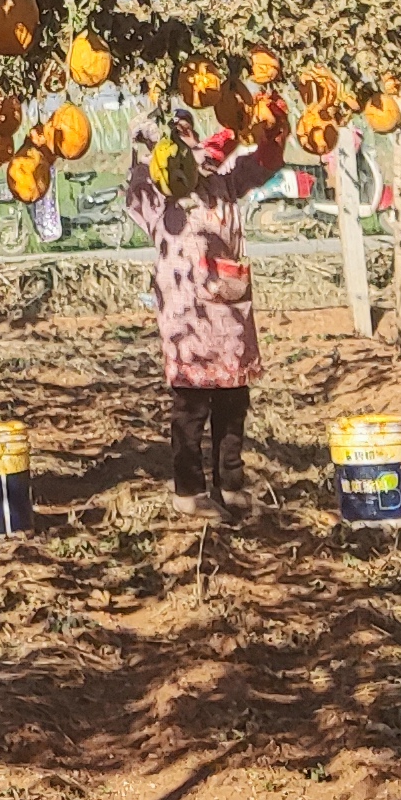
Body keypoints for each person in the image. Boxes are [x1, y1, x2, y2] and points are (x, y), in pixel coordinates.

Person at [123, 116, 284, 514]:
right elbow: (138, 191)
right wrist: (147, 146)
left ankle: (231, 486)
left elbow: (263, 164)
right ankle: (188, 492)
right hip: (188, 323)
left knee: (233, 405)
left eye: (189, 137)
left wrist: (272, 130)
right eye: (176, 140)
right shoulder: (159, 195)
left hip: (230, 317)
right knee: (191, 409)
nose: (188, 147)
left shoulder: (222, 182)